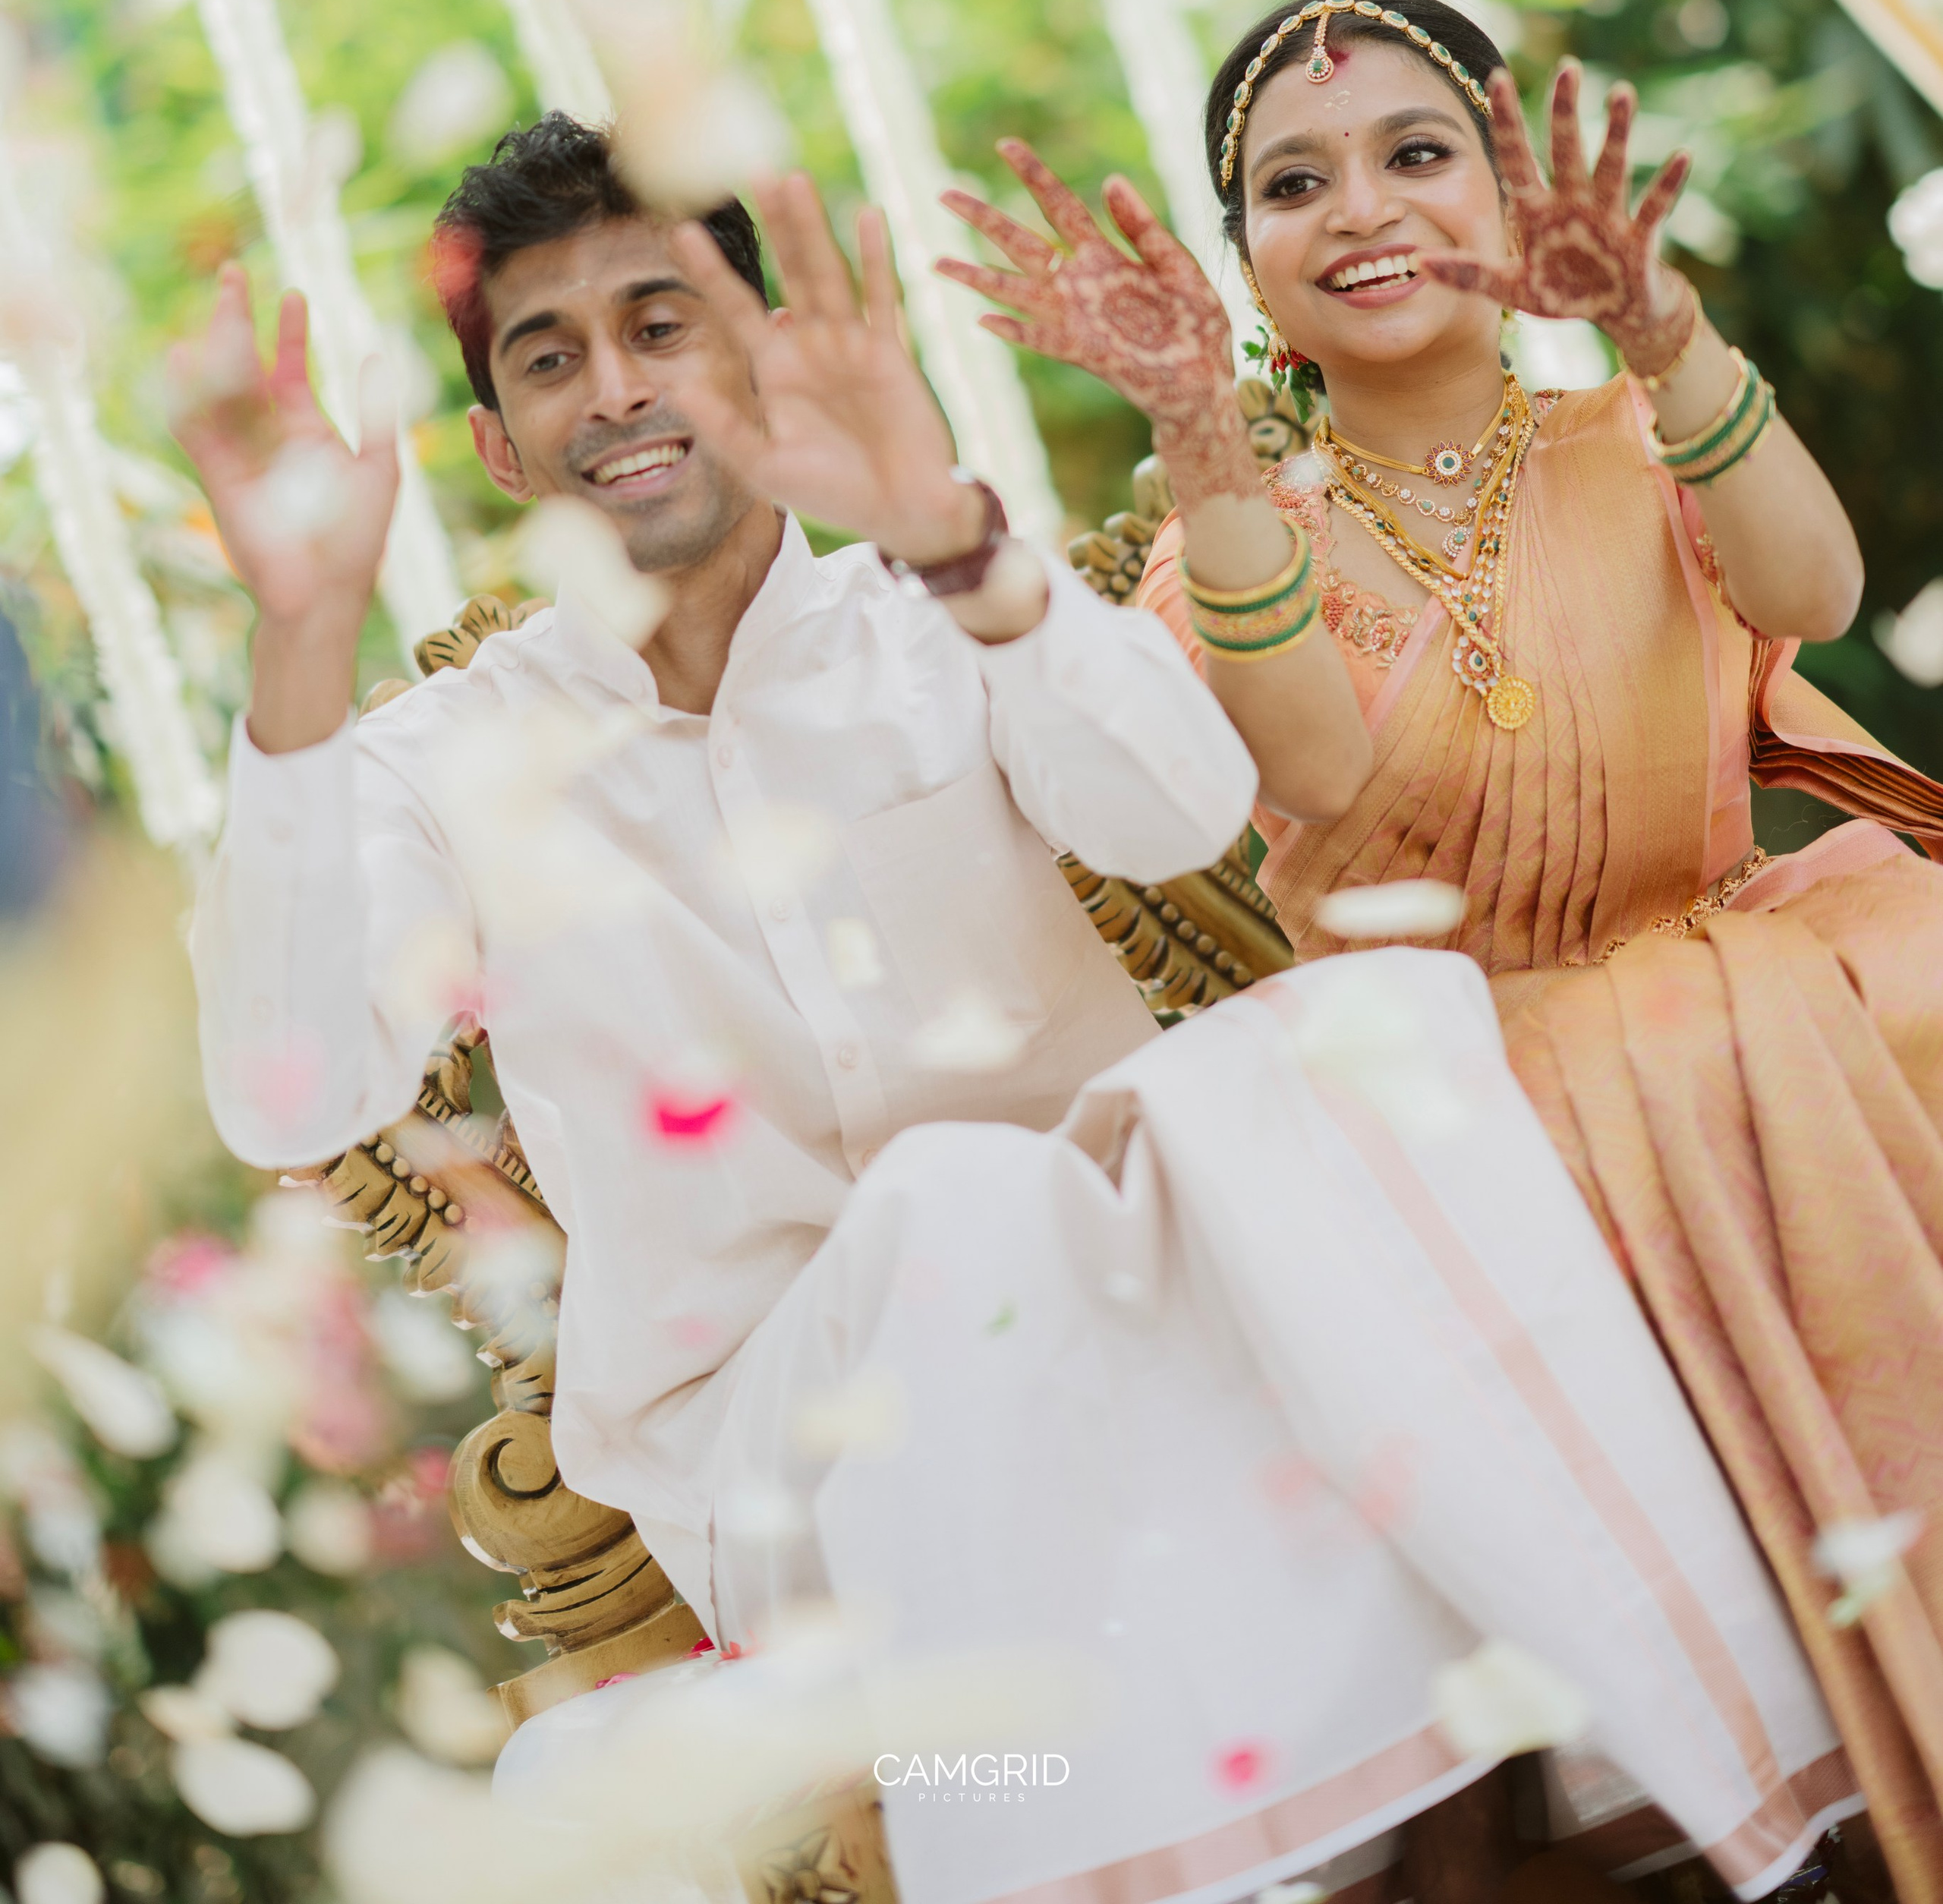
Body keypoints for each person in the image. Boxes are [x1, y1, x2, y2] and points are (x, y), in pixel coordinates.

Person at [181, 113, 1846, 1904]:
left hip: (1157, 1341)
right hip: (788, 1472)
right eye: (548, 354)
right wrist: (296, 646)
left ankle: (1577, 1814)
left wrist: (950, 542)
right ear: (502, 447)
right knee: (948, 1203)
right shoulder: (440, 766)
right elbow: (289, 1100)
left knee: (1351, 1047)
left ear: (763, 355)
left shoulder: (937, 615)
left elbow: (1175, 814)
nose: (614, 386)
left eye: (662, 323)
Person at [941, 0, 1943, 1904]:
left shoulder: (1638, 438)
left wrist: (1657, 330)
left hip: (1747, 974)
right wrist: (1193, 443)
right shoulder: (1229, 543)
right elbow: (1307, 762)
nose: (1362, 207)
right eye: (1291, 182)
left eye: (1417, 154)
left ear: (1513, 195)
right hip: (1463, 1087)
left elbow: (1813, 588)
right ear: (1240, 263)